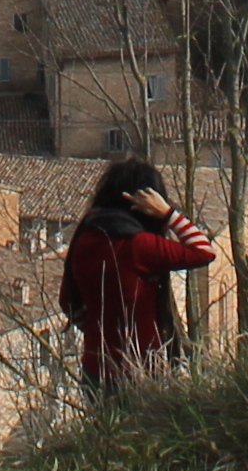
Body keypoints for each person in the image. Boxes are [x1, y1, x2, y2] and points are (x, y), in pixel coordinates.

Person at [60, 158, 215, 385]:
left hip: (94, 368)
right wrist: (168, 213)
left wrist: (99, 333)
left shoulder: (85, 235)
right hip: (141, 370)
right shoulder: (139, 245)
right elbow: (204, 250)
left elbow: (68, 301)